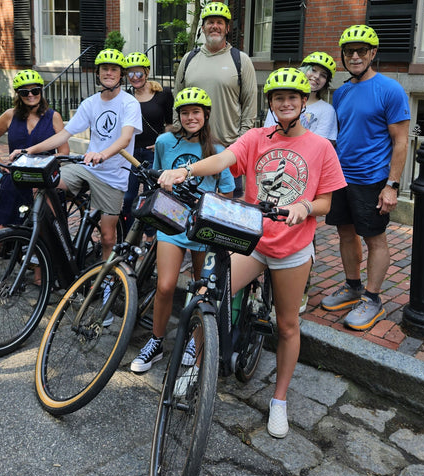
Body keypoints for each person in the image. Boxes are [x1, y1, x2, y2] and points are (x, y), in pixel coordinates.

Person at [159, 68, 346, 438]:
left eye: (292, 97)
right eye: (278, 98)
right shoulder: (257, 137)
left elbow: (327, 201)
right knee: (207, 294)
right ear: (271, 104)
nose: (286, 103)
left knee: (287, 324)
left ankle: (279, 400)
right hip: (253, 241)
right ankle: (196, 368)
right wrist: (187, 172)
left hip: (292, 248)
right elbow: (223, 160)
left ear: (303, 102)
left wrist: (305, 207)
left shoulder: (320, 147)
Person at [130, 87, 235, 373]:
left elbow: (227, 191)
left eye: (196, 112)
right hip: (172, 222)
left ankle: (195, 340)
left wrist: (207, 209)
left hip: (203, 226)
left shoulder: (218, 151)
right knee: (165, 285)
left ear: (206, 115)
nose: (190, 118)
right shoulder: (165, 142)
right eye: (185, 113)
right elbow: (158, 178)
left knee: (202, 288)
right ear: (178, 116)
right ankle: (156, 342)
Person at [11, 49, 142, 262]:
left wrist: (102, 154)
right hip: (87, 167)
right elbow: (64, 134)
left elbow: (125, 139)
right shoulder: (90, 103)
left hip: (113, 176)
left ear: (121, 75)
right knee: (47, 181)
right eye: (105, 69)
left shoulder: (129, 103)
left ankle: (106, 276)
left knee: (108, 237)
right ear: (97, 73)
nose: (109, 73)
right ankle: (58, 236)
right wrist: (29, 150)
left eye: (114, 69)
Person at [321, 24, 410, 331]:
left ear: (373, 53)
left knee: (375, 239)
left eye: (361, 51)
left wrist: (391, 185)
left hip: (372, 179)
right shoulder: (342, 92)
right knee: (345, 233)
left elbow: (401, 141)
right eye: (349, 51)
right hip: (341, 178)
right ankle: (353, 287)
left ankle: (372, 299)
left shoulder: (390, 89)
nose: (355, 56)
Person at [0, 69, 69, 301]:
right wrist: (0, 163)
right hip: (15, 179)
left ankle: (40, 272)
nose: (31, 95)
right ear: (18, 94)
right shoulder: (10, 115)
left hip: (43, 181)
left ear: (41, 91)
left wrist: (46, 167)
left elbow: (63, 152)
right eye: (25, 92)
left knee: (47, 228)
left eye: (35, 90)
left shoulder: (53, 117)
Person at [264, 51, 338, 312]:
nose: (316, 76)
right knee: (268, 227)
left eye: (322, 75)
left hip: (304, 177)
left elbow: (322, 147)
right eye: (312, 70)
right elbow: (268, 136)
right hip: (276, 171)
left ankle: (300, 289)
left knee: (303, 235)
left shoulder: (326, 110)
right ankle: (265, 289)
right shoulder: (281, 101)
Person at [173, 1, 257, 196]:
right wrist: (179, 135)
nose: (215, 26)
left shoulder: (241, 60)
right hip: (193, 147)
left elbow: (250, 105)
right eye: (210, 22)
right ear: (203, 28)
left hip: (227, 149)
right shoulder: (188, 59)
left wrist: (239, 143)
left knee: (229, 204)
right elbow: (177, 99)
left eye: (220, 22)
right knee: (188, 201)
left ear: (227, 28)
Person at [122, 52, 173, 232]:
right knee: (128, 197)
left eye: (139, 73)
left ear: (147, 72)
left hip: (153, 153)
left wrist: (161, 142)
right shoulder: (126, 97)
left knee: (151, 196)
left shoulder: (163, 94)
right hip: (131, 153)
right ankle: (127, 235)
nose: (134, 77)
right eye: (130, 73)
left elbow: (170, 123)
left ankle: (150, 236)